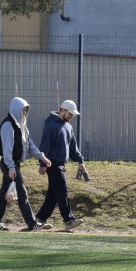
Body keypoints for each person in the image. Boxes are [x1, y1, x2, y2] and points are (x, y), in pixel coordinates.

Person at [0, 97, 53, 232]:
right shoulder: (8, 125)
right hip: (9, 164)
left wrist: (42, 157)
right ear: (17, 109)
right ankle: (32, 223)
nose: (25, 113)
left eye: (26, 110)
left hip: (12, 164)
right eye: (23, 110)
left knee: (4, 196)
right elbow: (7, 150)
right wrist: (11, 167)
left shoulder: (21, 126)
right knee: (22, 192)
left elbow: (29, 144)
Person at [34, 99, 88, 231]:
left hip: (60, 163)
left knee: (53, 195)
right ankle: (68, 219)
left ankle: (39, 219)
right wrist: (43, 163)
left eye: (73, 115)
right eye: (70, 114)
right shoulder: (51, 125)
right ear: (63, 110)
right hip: (52, 163)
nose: (72, 117)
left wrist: (80, 161)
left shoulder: (68, 127)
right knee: (62, 190)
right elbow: (44, 145)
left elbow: (73, 147)